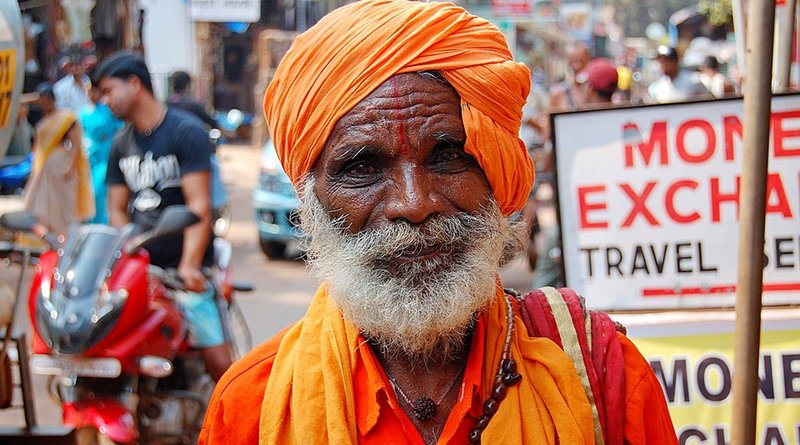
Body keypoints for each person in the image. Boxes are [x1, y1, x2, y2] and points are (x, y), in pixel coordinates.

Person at [200, 1, 677, 444]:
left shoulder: (603, 374)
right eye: (363, 167)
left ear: (494, 172)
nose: (414, 203)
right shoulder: (251, 409)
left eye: (449, 155)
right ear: (312, 199)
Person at [94, 52, 232, 382]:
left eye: (108, 90)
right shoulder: (120, 144)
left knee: (220, 363)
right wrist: (127, 250)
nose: (104, 100)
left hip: (183, 268)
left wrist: (188, 266)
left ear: (134, 83)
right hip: (142, 271)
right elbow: (116, 208)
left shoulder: (185, 132)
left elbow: (199, 206)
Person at [23, 82, 94, 234]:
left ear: (52, 99)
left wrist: (70, 164)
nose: (43, 103)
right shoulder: (43, 120)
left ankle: (68, 237)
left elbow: (76, 144)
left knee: (66, 206)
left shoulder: (66, 118)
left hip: (62, 164)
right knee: (44, 205)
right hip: (45, 167)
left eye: (45, 99)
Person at [79, 74, 124, 224]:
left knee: (98, 193)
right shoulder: (83, 113)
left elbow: (120, 129)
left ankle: (101, 226)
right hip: (88, 159)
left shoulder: (107, 110)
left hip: (105, 158)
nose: (90, 94)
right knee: (86, 195)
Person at [647, 46, 711, 104]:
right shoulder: (657, 87)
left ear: (675, 61)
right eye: (660, 61)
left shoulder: (694, 80)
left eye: (665, 61)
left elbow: (710, 103)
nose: (662, 65)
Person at [53, 49, 93, 114]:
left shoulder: (92, 83)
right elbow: (60, 109)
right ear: (69, 68)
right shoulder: (60, 87)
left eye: (78, 64)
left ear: (84, 66)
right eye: (72, 65)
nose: (76, 68)